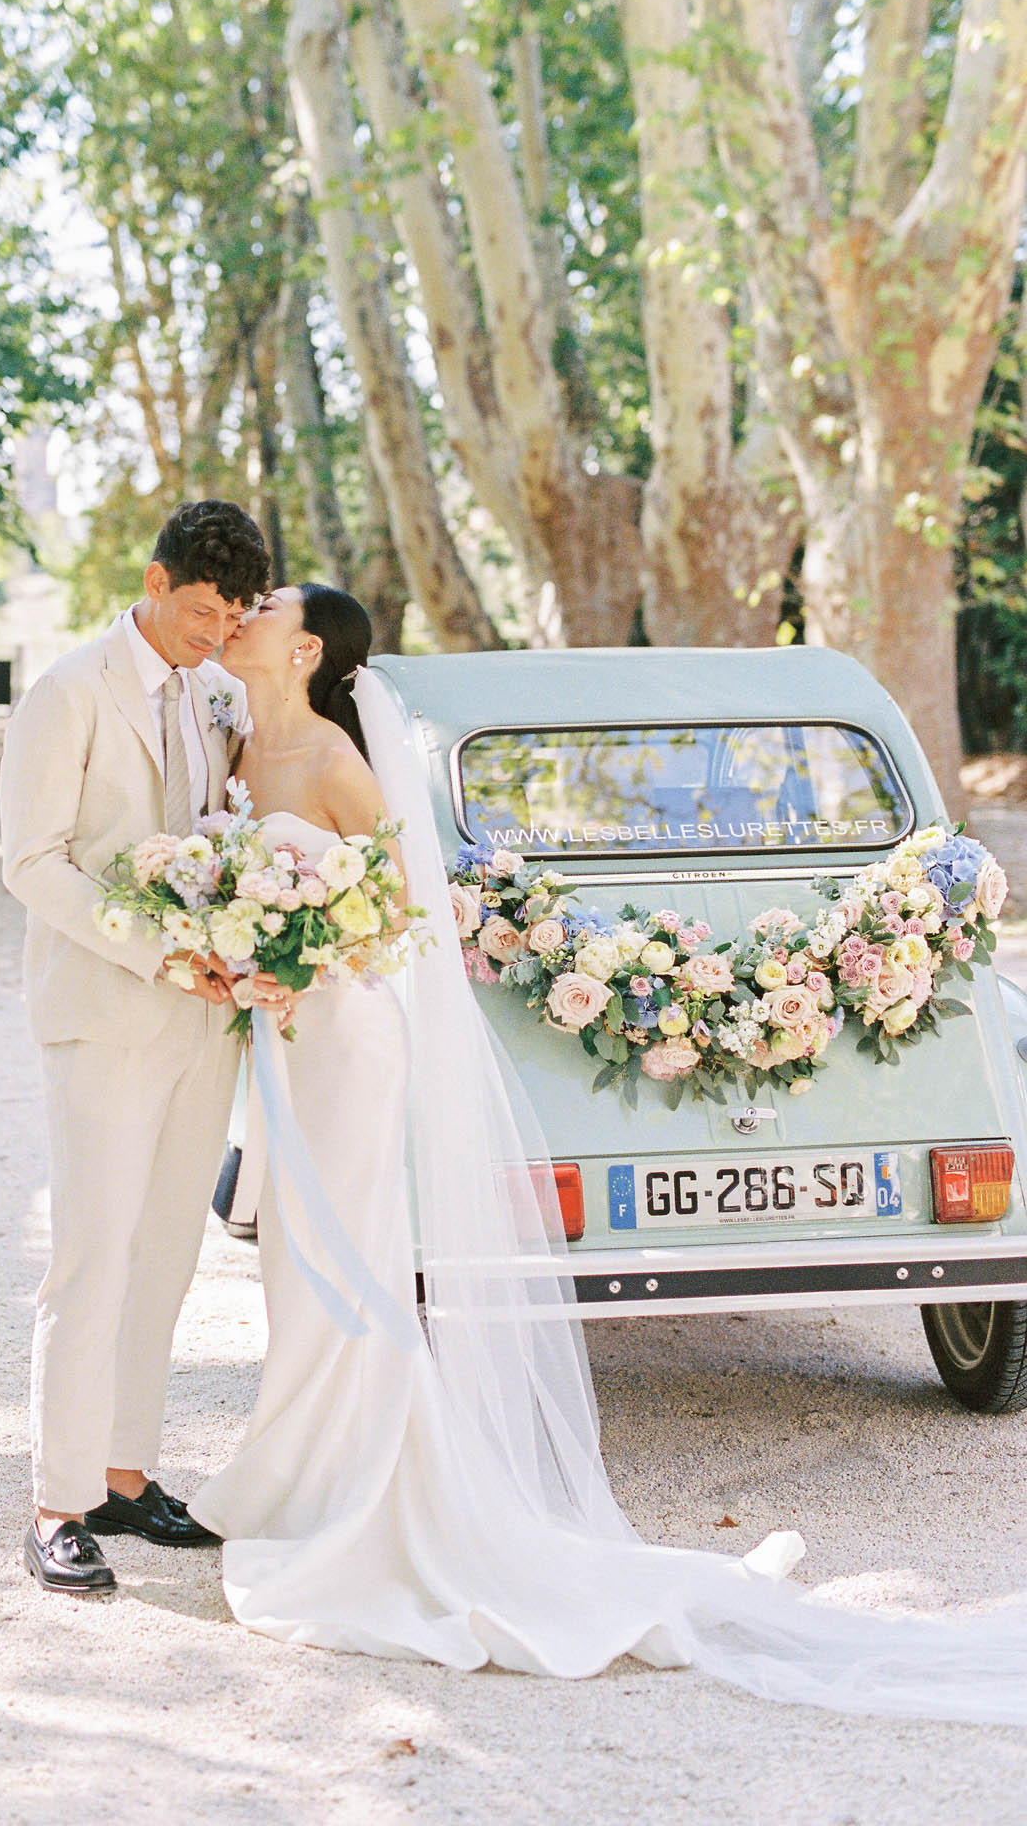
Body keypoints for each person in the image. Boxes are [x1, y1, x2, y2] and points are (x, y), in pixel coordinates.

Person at [187, 581, 1027, 1721]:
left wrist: (292, 946)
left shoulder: (340, 752)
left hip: (335, 1022)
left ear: (309, 648)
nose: (249, 610)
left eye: (271, 604)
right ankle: (297, 1468)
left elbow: (395, 900)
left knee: (352, 1253)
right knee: (311, 1255)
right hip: (304, 1031)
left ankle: (345, 1481)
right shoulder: (233, 734)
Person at [0, 499, 271, 1594]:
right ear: (155, 582)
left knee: (165, 1254)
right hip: (105, 1011)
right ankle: (55, 1503)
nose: (216, 634)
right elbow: (34, 861)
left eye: (232, 615)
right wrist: (159, 948)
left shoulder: (217, 694)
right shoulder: (67, 692)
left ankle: (123, 1471)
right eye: (202, 610)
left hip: (205, 1020)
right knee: (92, 1256)